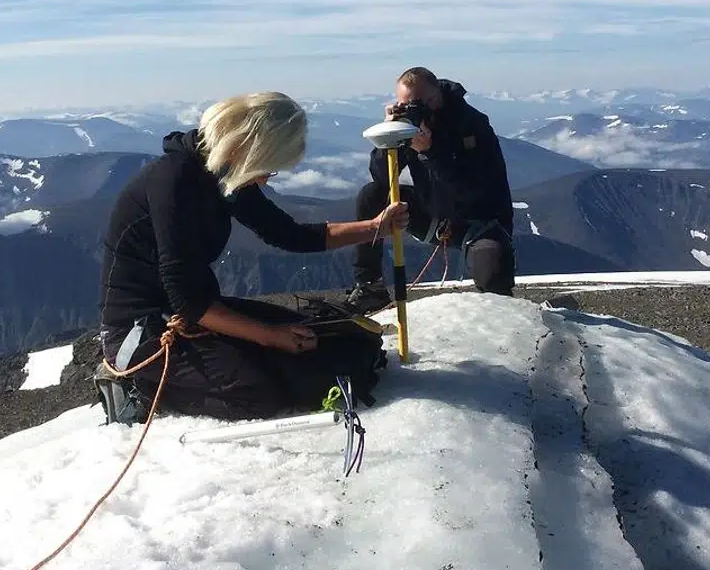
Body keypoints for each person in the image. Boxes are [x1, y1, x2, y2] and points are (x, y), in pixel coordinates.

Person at [96, 90, 409, 424]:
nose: (265, 178)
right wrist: (270, 336)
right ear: (252, 150)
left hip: (191, 312)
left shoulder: (221, 173)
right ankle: (133, 385)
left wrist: (376, 227)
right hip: (138, 332)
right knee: (261, 390)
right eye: (269, 167)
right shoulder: (174, 182)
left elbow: (290, 235)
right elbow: (187, 299)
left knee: (327, 340)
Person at [344, 67, 516, 309]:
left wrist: (431, 152)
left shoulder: (471, 125)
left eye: (417, 104)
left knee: (493, 273)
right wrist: (389, 137)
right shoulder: (411, 125)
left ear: (435, 97)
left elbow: (473, 191)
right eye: (405, 104)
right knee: (371, 195)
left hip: (480, 221)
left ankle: (505, 317)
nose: (413, 110)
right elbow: (382, 177)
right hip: (433, 211)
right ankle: (369, 286)